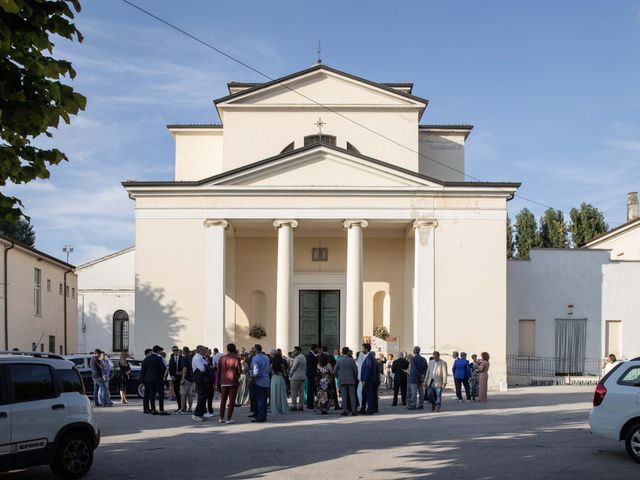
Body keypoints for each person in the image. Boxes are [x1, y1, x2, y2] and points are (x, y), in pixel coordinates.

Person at [218, 343, 242, 424]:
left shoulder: (222, 358)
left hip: (224, 381)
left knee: (223, 400)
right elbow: (239, 371)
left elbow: (219, 370)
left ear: (227, 349)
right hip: (233, 381)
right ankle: (228, 418)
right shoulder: (236, 358)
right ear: (234, 349)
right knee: (231, 401)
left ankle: (221, 417)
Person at [143, 345, 169, 415]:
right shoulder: (159, 358)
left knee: (152, 394)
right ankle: (161, 410)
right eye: (161, 351)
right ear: (158, 351)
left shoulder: (147, 358)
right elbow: (164, 368)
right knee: (160, 394)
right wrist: (163, 376)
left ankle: (153, 410)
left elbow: (145, 369)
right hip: (158, 378)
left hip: (149, 379)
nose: (161, 352)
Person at [334, 346, 358, 416]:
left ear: (342, 352)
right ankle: (354, 410)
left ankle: (345, 410)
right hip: (351, 380)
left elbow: (335, 371)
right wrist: (355, 377)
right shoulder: (352, 360)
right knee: (352, 396)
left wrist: (338, 377)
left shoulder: (339, 360)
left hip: (342, 380)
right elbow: (355, 370)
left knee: (344, 396)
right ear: (348, 352)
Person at [250, 344, 270, 423]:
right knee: (264, 400)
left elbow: (256, 371)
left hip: (259, 381)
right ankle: (263, 415)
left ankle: (260, 416)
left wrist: (253, 380)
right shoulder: (266, 357)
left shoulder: (256, 358)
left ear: (256, 350)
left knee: (259, 400)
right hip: (266, 380)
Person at [192, 345, 209, 422]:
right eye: (203, 350)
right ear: (199, 350)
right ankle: (196, 414)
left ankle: (201, 414)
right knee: (201, 397)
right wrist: (207, 366)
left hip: (203, 379)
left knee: (203, 396)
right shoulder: (197, 357)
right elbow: (202, 369)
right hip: (200, 379)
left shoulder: (201, 357)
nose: (205, 351)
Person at [270, 349, 289, 414]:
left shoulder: (272, 361)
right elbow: (284, 370)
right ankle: (282, 408)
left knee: (275, 393)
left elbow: (270, 370)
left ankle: (276, 408)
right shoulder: (281, 361)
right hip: (280, 378)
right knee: (281, 393)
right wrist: (284, 376)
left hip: (275, 378)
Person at [359, 343, 376, 415]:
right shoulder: (368, 356)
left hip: (367, 380)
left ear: (366, 349)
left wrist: (364, 380)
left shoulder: (369, 357)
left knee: (368, 395)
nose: (362, 350)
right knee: (364, 394)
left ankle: (370, 410)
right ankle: (363, 409)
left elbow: (368, 369)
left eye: (363, 348)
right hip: (367, 379)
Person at [289, 346, 306, 411]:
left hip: (295, 377)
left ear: (298, 351)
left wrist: (290, 374)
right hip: (302, 376)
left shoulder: (298, 358)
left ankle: (294, 406)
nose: (294, 352)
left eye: (295, 351)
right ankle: (301, 406)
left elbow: (294, 367)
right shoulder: (303, 357)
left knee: (294, 392)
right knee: (301, 392)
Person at [178, 347, 194, 414]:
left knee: (182, 394)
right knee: (190, 394)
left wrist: (182, 379)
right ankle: (190, 409)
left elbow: (185, 369)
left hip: (186, 378)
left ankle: (182, 409)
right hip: (192, 378)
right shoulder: (191, 358)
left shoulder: (184, 358)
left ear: (184, 352)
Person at [168, 346, 183, 412]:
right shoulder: (171, 358)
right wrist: (172, 376)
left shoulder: (182, 358)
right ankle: (179, 407)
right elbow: (170, 368)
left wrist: (182, 372)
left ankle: (183, 407)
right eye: (174, 350)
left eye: (176, 350)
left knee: (182, 392)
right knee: (177, 392)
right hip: (174, 377)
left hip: (181, 376)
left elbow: (185, 367)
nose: (175, 351)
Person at [305, 344, 320, 410]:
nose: (317, 350)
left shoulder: (311, 355)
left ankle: (310, 403)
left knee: (311, 390)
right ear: (315, 348)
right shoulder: (311, 355)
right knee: (311, 390)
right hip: (312, 375)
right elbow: (312, 367)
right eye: (317, 348)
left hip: (311, 374)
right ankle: (310, 404)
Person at [140, 348, 153, 413]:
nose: (152, 354)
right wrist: (142, 380)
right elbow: (143, 371)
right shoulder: (145, 361)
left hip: (147, 379)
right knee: (146, 395)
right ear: (147, 353)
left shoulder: (147, 360)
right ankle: (146, 409)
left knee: (148, 394)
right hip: (146, 380)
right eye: (151, 353)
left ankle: (148, 408)